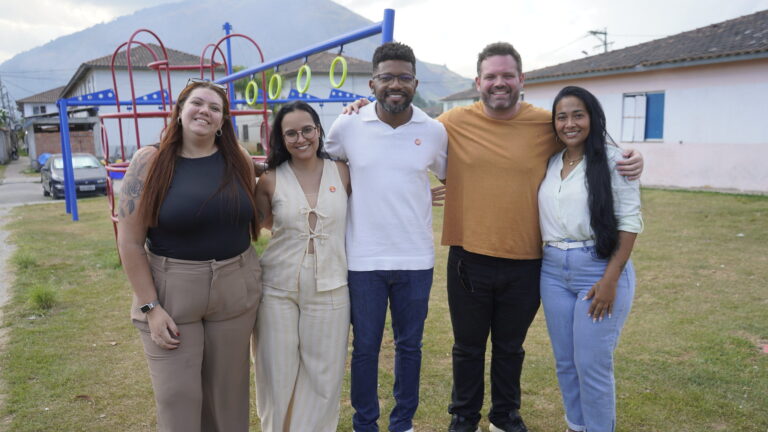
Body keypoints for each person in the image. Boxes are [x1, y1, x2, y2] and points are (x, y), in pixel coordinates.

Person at [117, 79, 261, 432]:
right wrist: (151, 308)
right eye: (197, 103)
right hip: (172, 291)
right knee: (177, 399)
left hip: (234, 288)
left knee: (227, 398)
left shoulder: (237, 158)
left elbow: (269, 192)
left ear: (223, 119)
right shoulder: (149, 161)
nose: (205, 112)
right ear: (180, 110)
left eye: (215, 108)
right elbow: (130, 242)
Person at [325, 41, 448, 432]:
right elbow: (322, 170)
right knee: (364, 348)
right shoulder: (347, 125)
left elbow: (450, 177)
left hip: (416, 260)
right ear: (372, 83)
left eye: (404, 77)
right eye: (387, 77)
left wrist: (418, 193)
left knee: (410, 348)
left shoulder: (433, 131)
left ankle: (403, 424)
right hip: (363, 260)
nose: (396, 84)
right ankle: (366, 424)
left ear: (415, 82)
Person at [538, 86, 641, 432]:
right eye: (562, 117)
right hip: (552, 271)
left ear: (593, 118)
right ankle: (576, 426)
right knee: (566, 363)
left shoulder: (616, 161)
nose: (569, 123)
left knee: (591, 364)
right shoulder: (553, 161)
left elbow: (629, 222)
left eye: (577, 115)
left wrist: (610, 280)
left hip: (599, 269)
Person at [251, 101, 351, 432]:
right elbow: (263, 225)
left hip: (332, 284)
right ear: (281, 139)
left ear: (319, 130)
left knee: (324, 374)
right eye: (290, 133)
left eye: (307, 129)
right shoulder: (268, 179)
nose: (301, 138)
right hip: (277, 287)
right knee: (276, 371)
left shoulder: (343, 171)